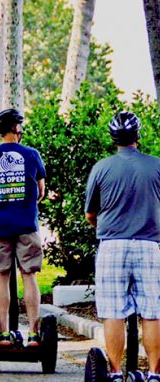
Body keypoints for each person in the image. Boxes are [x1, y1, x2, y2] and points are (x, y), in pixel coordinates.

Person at [85, 111, 160, 382]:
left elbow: (90, 214)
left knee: (113, 310)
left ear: (113, 138)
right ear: (138, 136)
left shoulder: (101, 168)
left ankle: (115, 373)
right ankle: (153, 374)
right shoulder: (156, 166)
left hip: (112, 246)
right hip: (149, 246)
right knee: (152, 312)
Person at [0, 109, 46, 347]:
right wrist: (25, 206)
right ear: (16, 128)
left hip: (0, 225)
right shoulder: (32, 154)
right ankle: (35, 334)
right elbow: (41, 192)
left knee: (2, 277)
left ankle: (4, 334)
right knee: (29, 276)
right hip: (27, 224)